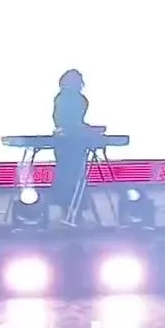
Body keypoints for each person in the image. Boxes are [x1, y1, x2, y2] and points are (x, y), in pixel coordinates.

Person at [51, 69, 105, 221]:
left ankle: (74, 211)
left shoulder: (78, 99)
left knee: (76, 176)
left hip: (74, 141)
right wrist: (87, 129)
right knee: (69, 176)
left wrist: (86, 129)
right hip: (66, 141)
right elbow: (63, 121)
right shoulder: (64, 99)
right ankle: (70, 210)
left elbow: (75, 122)